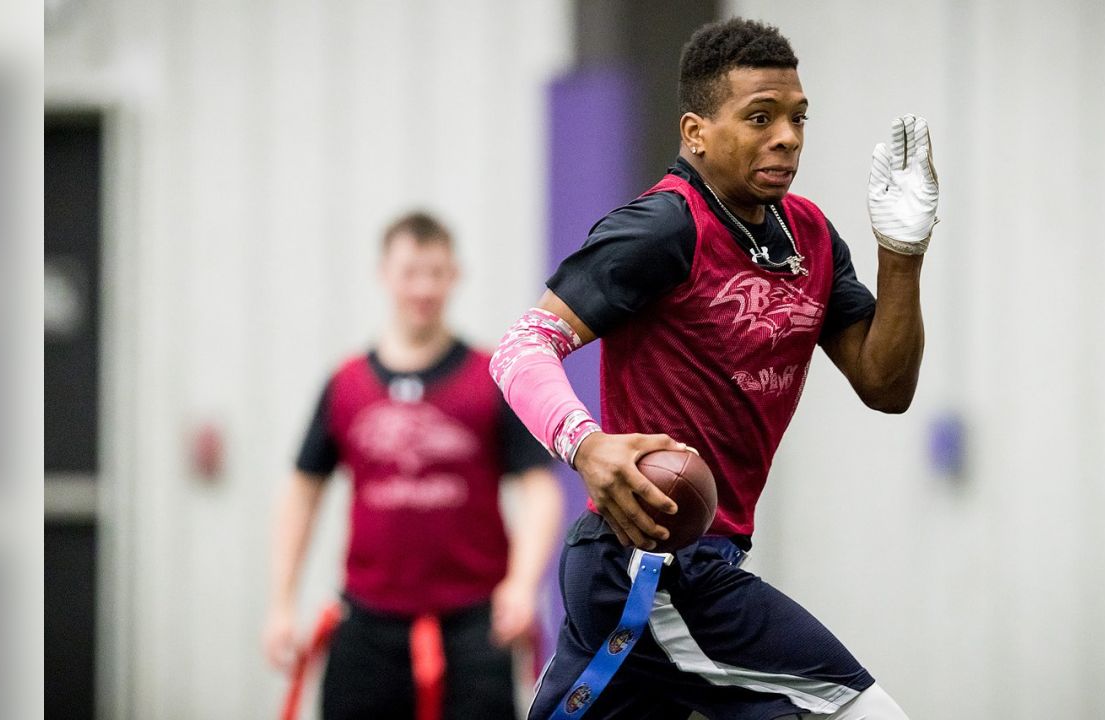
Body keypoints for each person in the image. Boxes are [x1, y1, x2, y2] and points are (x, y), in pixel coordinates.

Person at [490, 17, 936, 720]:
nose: (787, 136)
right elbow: (521, 347)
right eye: (760, 117)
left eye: (797, 117)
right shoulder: (664, 227)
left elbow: (886, 384)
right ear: (696, 132)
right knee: (861, 712)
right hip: (655, 569)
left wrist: (902, 254)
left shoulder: (812, 236)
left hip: (690, 568)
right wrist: (585, 443)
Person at [265, 212, 563, 720]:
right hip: (366, 628)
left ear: (455, 276)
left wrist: (520, 584)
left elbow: (541, 490)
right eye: (410, 273)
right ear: (385, 275)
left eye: (436, 272)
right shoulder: (346, 385)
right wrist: (282, 603)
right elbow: (303, 490)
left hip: (475, 630)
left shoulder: (490, 380)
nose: (423, 287)